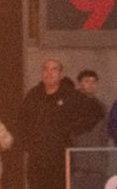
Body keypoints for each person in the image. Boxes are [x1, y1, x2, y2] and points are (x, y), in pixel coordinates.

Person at [20, 60, 78, 189]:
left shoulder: (70, 96)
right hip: (37, 160)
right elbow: (22, 122)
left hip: (60, 159)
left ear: (61, 74)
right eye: (46, 69)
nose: (49, 73)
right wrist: (28, 146)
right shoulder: (33, 95)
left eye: (54, 69)